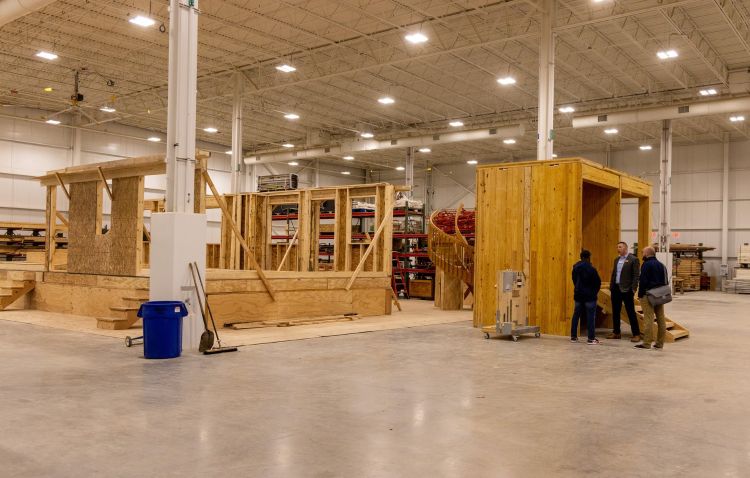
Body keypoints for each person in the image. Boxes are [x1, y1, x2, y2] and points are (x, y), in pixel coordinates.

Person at [606, 242, 642, 342]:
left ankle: (636, 334)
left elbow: (636, 275)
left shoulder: (633, 259)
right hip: (616, 289)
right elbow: (614, 274)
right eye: (617, 247)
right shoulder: (616, 259)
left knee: (630, 312)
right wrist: (611, 286)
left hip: (627, 290)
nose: (618, 248)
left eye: (620, 247)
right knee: (615, 312)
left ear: (625, 248)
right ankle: (616, 332)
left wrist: (634, 288)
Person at [635, 246, 668, 350]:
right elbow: (665, 281)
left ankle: (647, 343)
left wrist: (640, 294)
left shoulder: (646, 265)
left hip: (648, 294)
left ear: (647, 254)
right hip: (660, 294)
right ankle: (660, 343)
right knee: (661, 318)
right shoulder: (662, 265)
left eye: (642, 252)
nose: (641, 254)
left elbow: (643, 281)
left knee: (648, 318)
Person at [570, 249, 602, 345]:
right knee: (590, 317)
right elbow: (597, 282)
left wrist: (578, 288)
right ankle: (591, 339)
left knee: (576, 315)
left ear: (581, 257)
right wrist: (594, 292)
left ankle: (573, 337)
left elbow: (574, 280)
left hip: (578, 295)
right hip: (589, 296)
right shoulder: (592, 269)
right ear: (588, 257)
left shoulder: (575, 268)